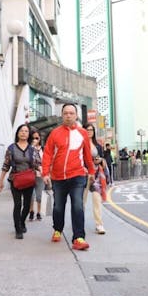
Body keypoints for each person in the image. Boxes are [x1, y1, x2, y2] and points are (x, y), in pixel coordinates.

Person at [42, 104, 95, 251]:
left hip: (77, 175)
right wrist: (45, 173)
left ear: (76, 115)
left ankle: (78, 237)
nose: (68, 116)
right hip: (58, 177)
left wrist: (91, 171)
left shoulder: (82, 133)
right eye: (65, 113)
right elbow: (47, 153)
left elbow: (87, 154)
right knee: (58, 207)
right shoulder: (55, 133)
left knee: (77, 205)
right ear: (62, 115)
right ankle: (57, 229)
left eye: (71, 113)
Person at [0, 124, 42, 239]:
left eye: (26, 131)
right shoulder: (11, 148)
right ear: (17, 133)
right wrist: (1, 181)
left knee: (27, 205)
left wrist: (45, 174)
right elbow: (6, 165)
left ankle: (22, 222)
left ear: (29, 135)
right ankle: (18, 229)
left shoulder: (32, 150)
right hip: (15, 179)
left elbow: (38, 164)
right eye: (21, 131)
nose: (23, 133)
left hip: (29, 180)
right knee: (18, 204)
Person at [83, 124, 107, 235]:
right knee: (81, 201)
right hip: (83, 174)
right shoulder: (81, 144)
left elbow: (103, 158)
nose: (89, 131)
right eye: (87, 129)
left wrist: (99, 160)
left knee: (97, 200)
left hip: (96, 175)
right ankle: (79, 223)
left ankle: (99, 224)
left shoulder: (98, 146)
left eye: (91, 129)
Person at [28, 129, 44, 221]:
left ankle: (38, 212)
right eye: (33, 138)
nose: (35, 139)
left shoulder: (44, 149)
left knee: (39, 195)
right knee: (31, 195)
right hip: (31, 175)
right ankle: (31, 211)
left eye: (37, 138)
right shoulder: (29, 149)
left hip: (41, 175)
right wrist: (32, 146)